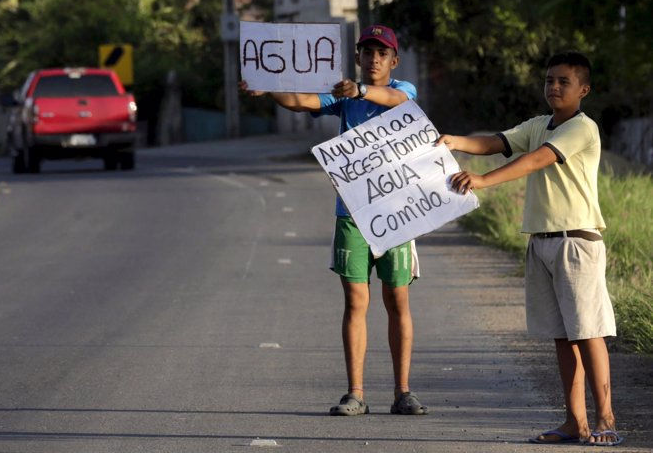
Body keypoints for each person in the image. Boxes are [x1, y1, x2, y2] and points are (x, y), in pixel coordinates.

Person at [435, 51, 623, 446]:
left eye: (563, 82)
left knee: (588, 334)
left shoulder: (582, 128)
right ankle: (575, 421)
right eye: (549, 80)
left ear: (583, 90)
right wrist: (455, 141)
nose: (554, 87)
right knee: (561, 336)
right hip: (541, 242)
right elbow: (498, 142)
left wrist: (483, 181)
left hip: (577, 241)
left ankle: (606, 419)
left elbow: (537, 160)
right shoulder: (540, 124)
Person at [240, 25, 428, 417]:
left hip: (396, 213)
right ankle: (355, 393)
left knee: (397, 299)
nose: (374, 58)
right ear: (357, 57)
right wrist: (268, 88)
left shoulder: (402, 91)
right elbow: (303, 100)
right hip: (352, 213)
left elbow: (395, 99)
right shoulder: (344, 97)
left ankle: (403, 391)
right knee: (355, 300)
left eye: (381, 52)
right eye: (367, 51)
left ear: (393, 60)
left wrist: (359, 91)